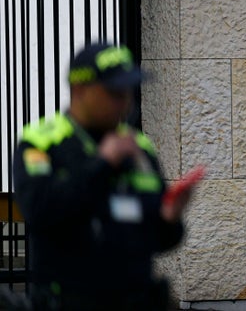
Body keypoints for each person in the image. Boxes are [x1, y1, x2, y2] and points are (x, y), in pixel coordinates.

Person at [13, 42, 195, 311]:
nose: (125, 102)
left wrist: (170, 218)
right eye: (114, 92)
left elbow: (160, 241)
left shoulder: (138, 147)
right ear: (79, 90)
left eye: (128, 91)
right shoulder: (42, 143)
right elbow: (41, 210)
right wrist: (103, 163)